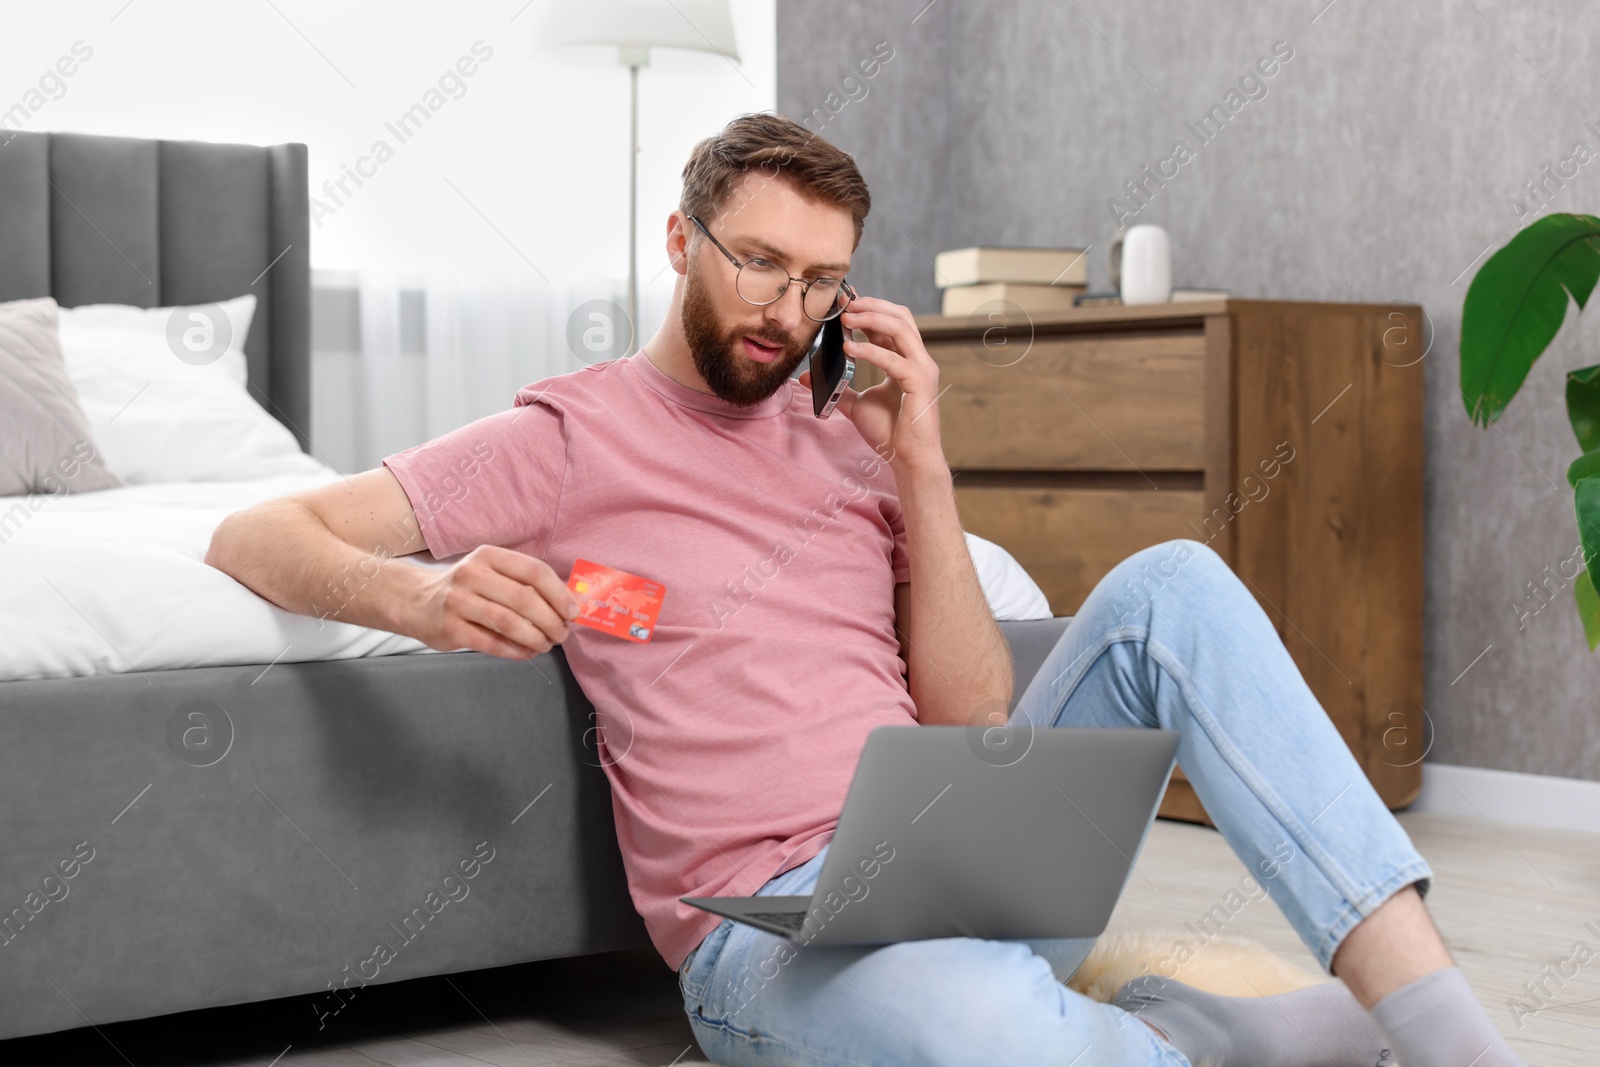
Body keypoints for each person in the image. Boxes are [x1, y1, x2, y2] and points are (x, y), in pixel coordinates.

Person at [206, 113, 1527, 1067]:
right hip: (768, 937)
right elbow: (263, 533)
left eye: (822, 279)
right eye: (757, 262)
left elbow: (967, 713)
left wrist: (924, 461)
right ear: (680, 239)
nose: (786, 308)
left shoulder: (857, 443)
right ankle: (1190, 1037)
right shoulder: (564, 441)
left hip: (960, 845)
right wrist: (425, 602)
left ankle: (1447, 1036)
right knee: (972, 1032)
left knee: (1174, 580)